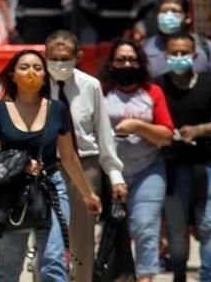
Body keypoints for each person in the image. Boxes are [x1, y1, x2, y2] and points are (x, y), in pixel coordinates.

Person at [0, 50, 102, 282]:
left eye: (37, 67)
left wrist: (88, 194)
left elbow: (69, 157)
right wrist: (19, 164)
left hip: (50, 188)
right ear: (13, 75)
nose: (31, 72)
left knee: (54, 261)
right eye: (24, 67)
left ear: (45, 76)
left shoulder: (57, 109)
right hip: (11, 192)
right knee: (9, 265)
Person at [44, 30, 127, 282]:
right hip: (48, 166)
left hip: (85, 165)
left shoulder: (90, 86)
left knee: (82, 238)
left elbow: (103, 133)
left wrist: (114, 175)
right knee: (47, 235)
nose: (59, 64)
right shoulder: (36, 84)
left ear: (78, 57)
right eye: (54, 59)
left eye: (65, 59)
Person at [100, 38, 175, 281]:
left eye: (132, 60)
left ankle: (145, 276)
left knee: (145, 226)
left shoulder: (152, 93)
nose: (126, 64)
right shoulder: (101, 92)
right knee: (111, 232)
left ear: (140, 63)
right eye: (121, 59)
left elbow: (166, 135)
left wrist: (138, 127)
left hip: (147, 170)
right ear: (111, 63)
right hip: (109, 172)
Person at [158, 32, 211, 282]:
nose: (179, 57)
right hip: (171, 166)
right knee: (177, 227)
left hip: (205, 164)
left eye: (184, 53)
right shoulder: (158, 86)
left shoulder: (208, 84)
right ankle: (179, 274)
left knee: (208, 225)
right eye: (174, 53)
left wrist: (200, 130)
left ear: (195, 55)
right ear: (166, 55)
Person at [144, 0, 211, 77]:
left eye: (174, 11)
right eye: (164, 12)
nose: (168, 16)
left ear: (188, 17)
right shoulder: (145, 49)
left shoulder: (205, 47)